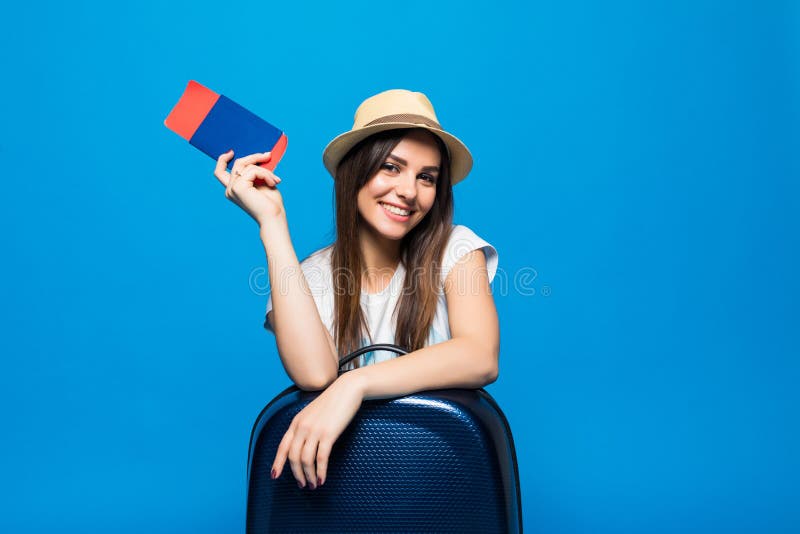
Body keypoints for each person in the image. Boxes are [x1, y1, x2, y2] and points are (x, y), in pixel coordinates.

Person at [213, 89, 500, 492]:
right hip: (345, 492)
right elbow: (315, 375)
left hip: (441, 484)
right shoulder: (311, 276)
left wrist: (355, 384)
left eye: (426, 177)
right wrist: (272, 221)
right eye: (391, 167)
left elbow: (479, 356)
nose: (409, 192)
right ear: (355, 171)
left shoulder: (456, 250)